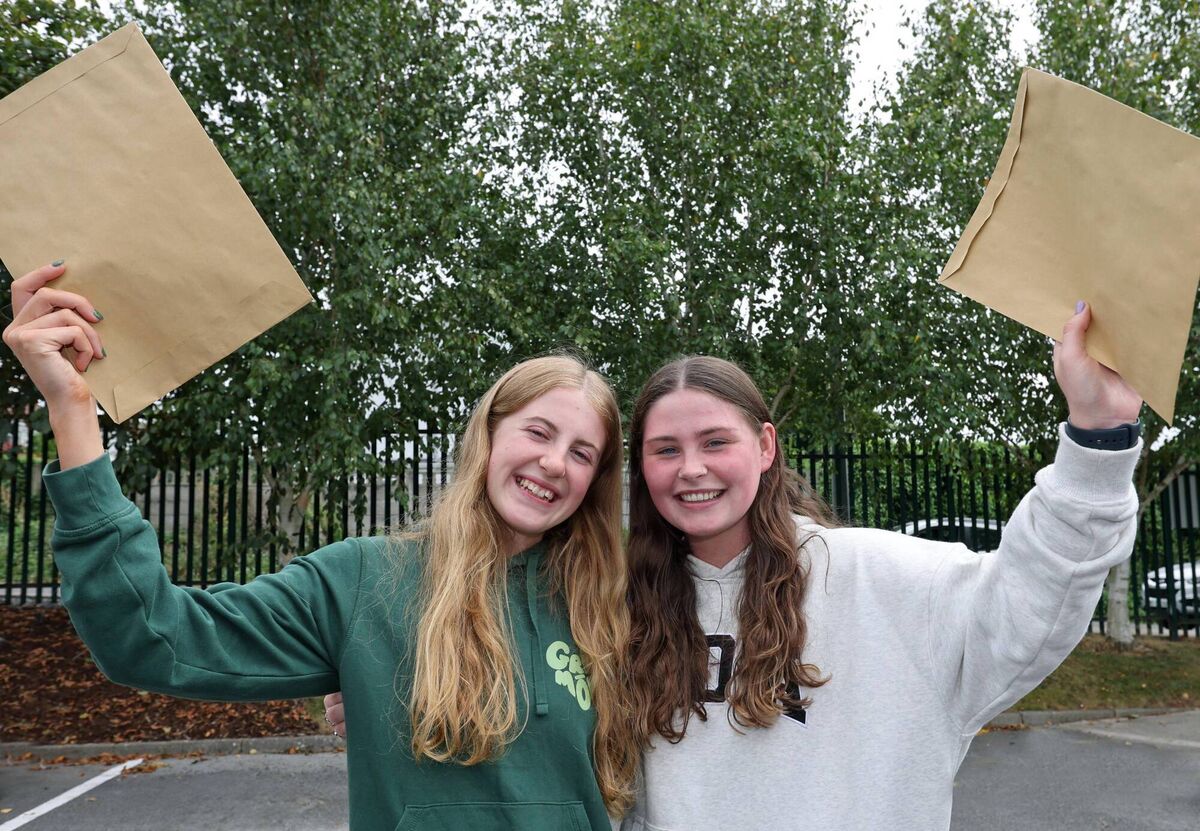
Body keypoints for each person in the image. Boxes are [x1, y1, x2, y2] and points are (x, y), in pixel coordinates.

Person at [325, 309, 1140, 829]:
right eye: (664, 449)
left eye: (715, 441)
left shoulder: (878, 580)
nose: (692, 469)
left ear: (765, 445)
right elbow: (539, 744)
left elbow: (1030, 600)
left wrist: (1096, 445)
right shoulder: (619, 609)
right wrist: (389, 682)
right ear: (638, 471)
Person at [3, 262, 638, 831]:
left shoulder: (609, 604)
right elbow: (153, 637)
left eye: (581, 453)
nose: (555, 463)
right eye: (538, 431)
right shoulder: (363, 580)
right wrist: (72, 408)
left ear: (595, 481)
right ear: (487, 440)